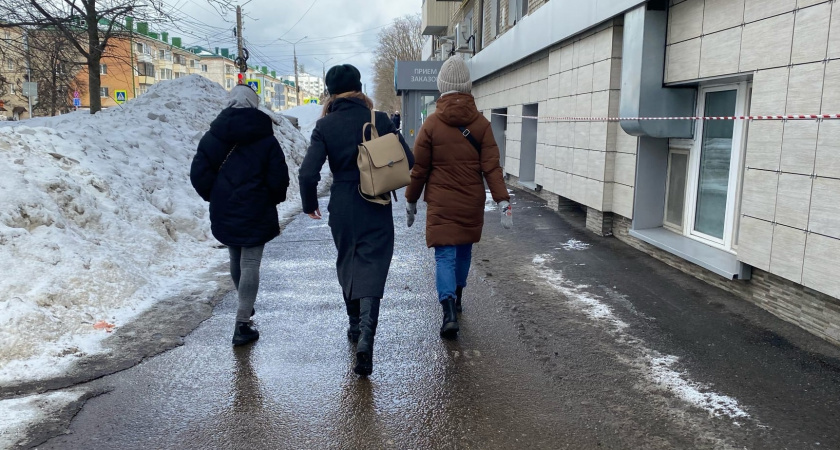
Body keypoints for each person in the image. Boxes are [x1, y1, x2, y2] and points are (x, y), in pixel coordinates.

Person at [299, 64, 414, 376]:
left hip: (343, 204)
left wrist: (310, 203)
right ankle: (366, 335)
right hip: (375, 201)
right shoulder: (379, 119)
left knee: (348, 261)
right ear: (360, 88)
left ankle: (353, 324)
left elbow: (307, 173)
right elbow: (409, 160)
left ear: (330, 93)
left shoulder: (325, 125)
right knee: (373, 265)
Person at [404, 55, 512, 339]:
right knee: (464, 251)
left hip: (441, 203)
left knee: (445, 256)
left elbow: (419, 170)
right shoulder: (482, 125)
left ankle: (449, 311)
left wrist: (411, 200)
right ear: (467, 86)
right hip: (470, 201)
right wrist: (502, 200)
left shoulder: (430, 125)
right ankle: (458, 297)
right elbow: (492, 167)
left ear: (442, 86)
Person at [190, 84, 290, 346]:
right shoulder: (266, 138)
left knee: (235, 256)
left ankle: (245, 306)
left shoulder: (213, 136)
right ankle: (242, 323)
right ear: (253, 104)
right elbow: (278, 176)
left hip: (225, 205)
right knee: (250, 263)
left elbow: (198, 173)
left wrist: (215, 195)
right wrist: (272, 198)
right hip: (257, 206)